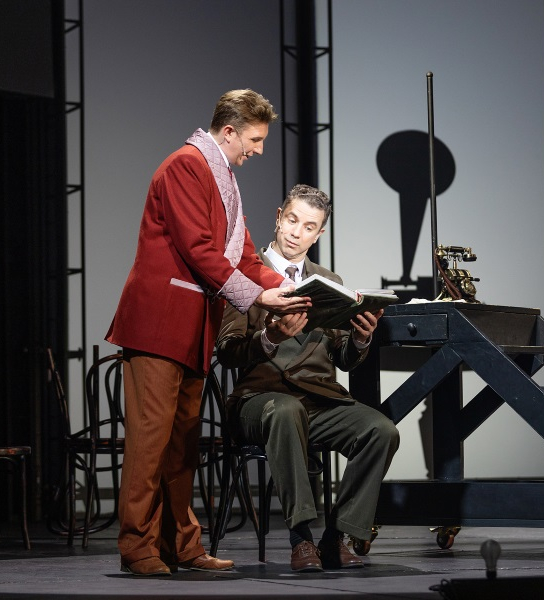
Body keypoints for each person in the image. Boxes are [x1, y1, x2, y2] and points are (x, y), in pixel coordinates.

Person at [105, 90, 310, 577]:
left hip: (193, 329)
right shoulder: (185, 166)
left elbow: (243, 258)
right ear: (229, 131)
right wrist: (259, 297)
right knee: (151, 442)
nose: (259, 150)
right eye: (255, 140)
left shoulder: (224, 179)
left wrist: (290, 288)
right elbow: (199, 249)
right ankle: (137, 546)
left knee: (182, 447)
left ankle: (181, 544)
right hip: (160, 325)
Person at [216, 184, 400, 572]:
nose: (296, 233)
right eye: (292, 220)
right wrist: (269, 337)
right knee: (285, 410)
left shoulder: (327, 280)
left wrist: (361, 338)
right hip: (259, 400)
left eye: (309, 227)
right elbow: (228, 351)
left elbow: (343, 358)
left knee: (381, 430)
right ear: (279, 217)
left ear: (319, 234)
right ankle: (301, 538)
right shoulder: (245, 272)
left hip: (317, 400)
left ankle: (337, 537)